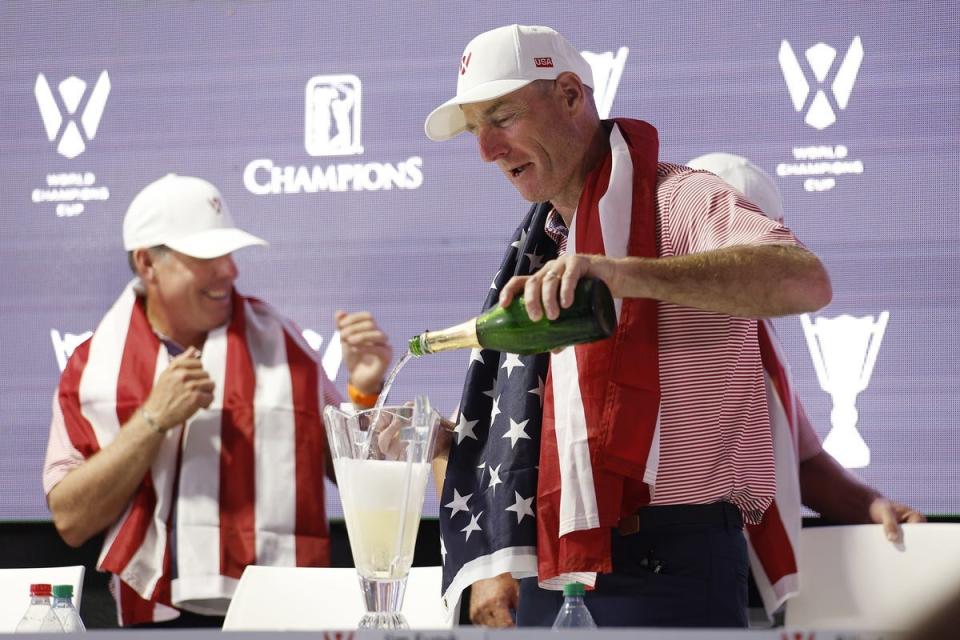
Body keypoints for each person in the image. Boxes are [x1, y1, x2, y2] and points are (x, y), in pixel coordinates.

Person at [423, 25, 832, 628]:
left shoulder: (684, 199)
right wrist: (451, 446)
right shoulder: (538, 247)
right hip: (554, 565)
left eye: (502, 118)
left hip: (668, 564)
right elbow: (565, 420)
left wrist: (623, 273)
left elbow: (806, 281)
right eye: (473, 131)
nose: (487, 149)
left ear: (570, 95)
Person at [43, 174, 392, 627]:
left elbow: (356, 476)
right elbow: (71, 521)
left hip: (284, 612)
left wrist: (364, 392)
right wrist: (153, 419)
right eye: (207, 256)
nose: (230, 270)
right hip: (155, 617)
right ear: (148, 263)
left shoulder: (281, 343)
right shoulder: (92, 368)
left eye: (228, 253)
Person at [686, 152, 926, 616]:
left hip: (733, 583)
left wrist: (870, 504)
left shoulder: (755, 335)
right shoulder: (628, 325)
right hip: (648, 582)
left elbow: (800, 460)